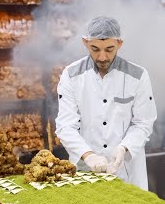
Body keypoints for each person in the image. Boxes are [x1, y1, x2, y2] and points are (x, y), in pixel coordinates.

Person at [55, 16, 157, 191]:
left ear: (119, 43)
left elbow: (143, 123)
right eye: (95, 49)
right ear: (85, 43)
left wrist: (124, 148)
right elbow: (65, 126)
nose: (102, 57)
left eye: (109, 49)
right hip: (85, 171)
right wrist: (88, 156)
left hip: (126, 172)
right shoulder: (71, 75)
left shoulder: (138, 76)